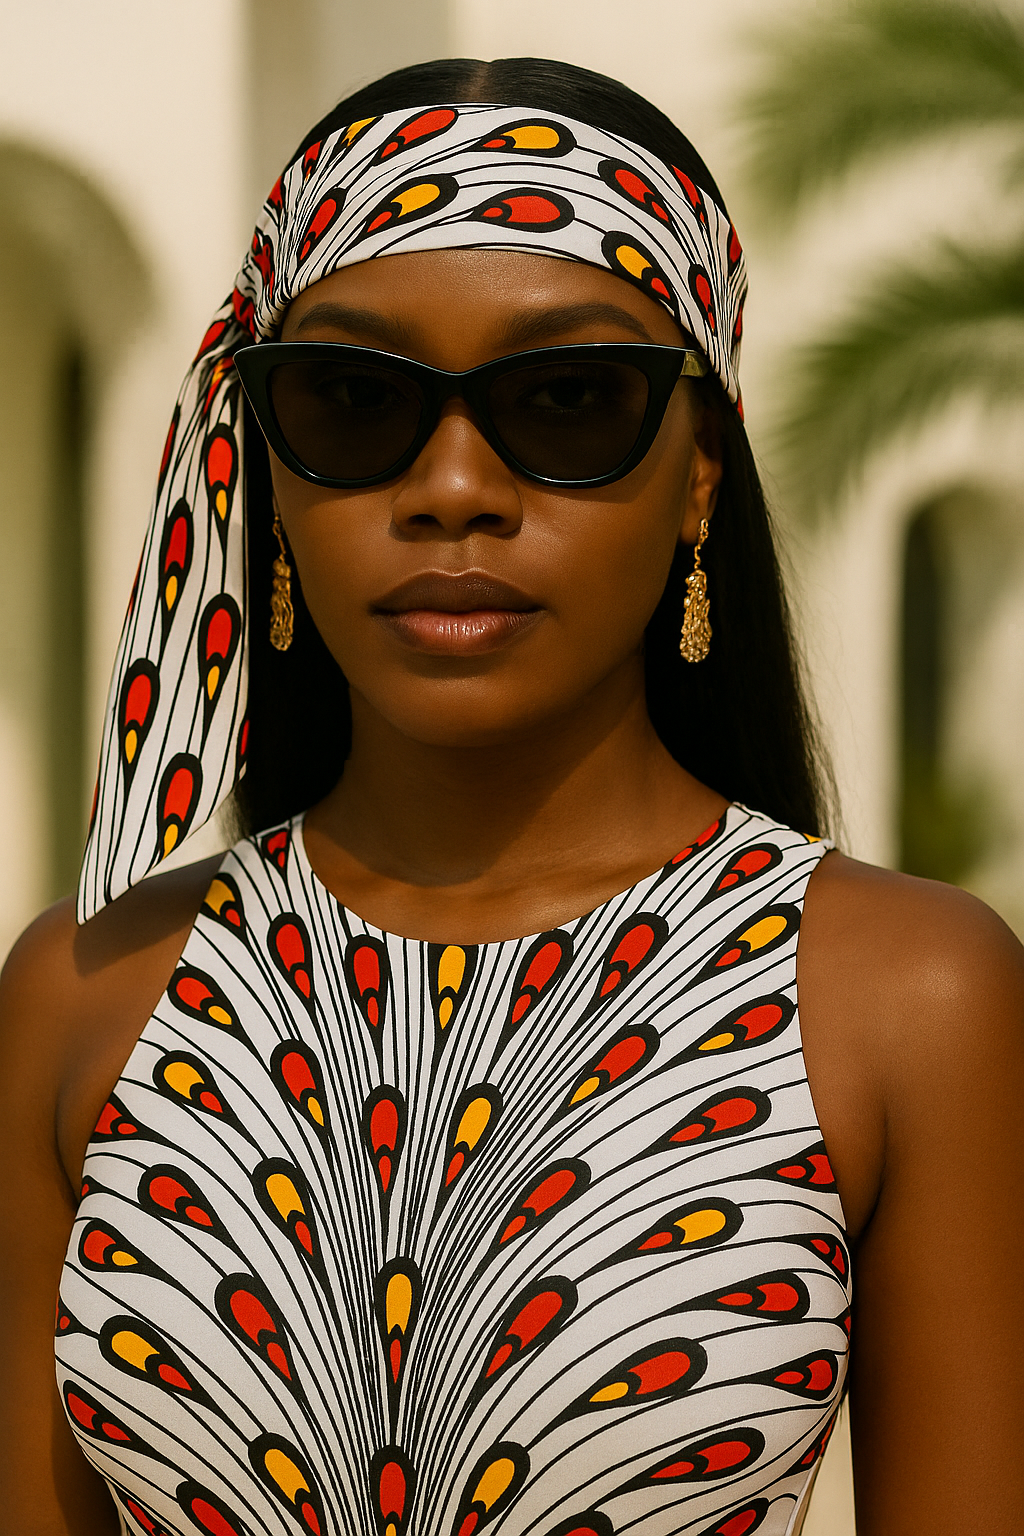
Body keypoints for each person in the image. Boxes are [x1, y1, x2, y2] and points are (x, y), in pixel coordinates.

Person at [1, 55, 1021, 1536]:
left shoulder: (906, 996)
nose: (455, 484)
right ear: (266, 472)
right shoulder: (89, 992)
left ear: (699, 474)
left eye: (567, 400)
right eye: (354, 401)